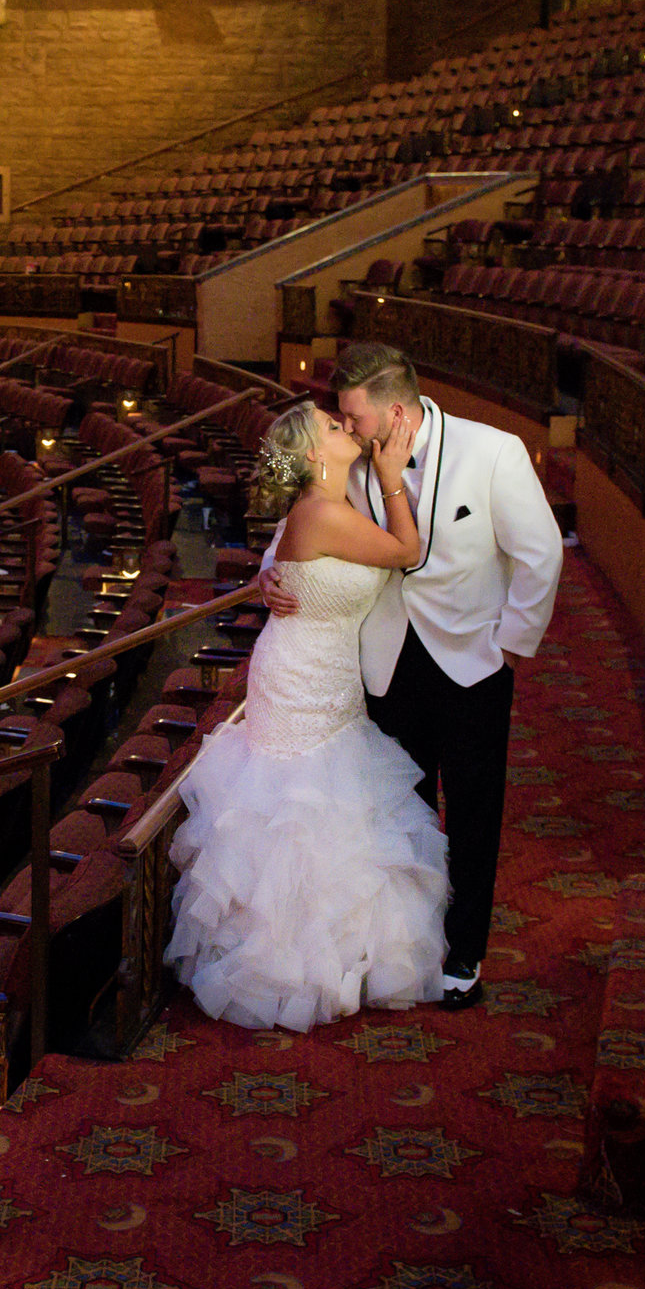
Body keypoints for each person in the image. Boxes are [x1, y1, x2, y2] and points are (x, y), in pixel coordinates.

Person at [257, 343, 563, 1010]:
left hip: (475, 661)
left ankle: (464, 954)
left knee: (475, 810)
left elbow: (540, 555)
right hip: (384, 659)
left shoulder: (495, 451)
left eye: (351, 414)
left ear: (395, 410)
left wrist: (511, 645)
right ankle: (410, 946)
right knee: (400, 811)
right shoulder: (353, 463)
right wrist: (270, 574)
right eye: (338, 418)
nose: (346, 426)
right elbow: (292, 513)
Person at [163, 399, 451, 1029]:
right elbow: (407, 550)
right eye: (329, 424)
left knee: (332, 803)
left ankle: (337, 952)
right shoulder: (320, 512)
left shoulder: (329, 510)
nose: (343, 425)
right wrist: (395, 473)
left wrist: (266, 575)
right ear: (315, 455)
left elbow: (281, 558)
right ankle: (283, 964)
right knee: (296, 807)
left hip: (335, 678)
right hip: (296, 678)